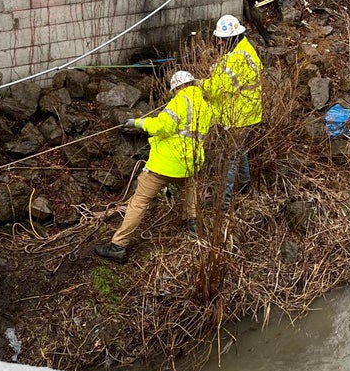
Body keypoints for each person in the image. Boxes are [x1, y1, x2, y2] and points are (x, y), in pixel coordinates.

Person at [95, 70, 214, 263]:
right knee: (191, 194)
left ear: (177, 87)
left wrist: (138, 123)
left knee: (139, 202)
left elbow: (162, 126)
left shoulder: (179, 101)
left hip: (164, 164)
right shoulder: (206, 105)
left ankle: (118, 246)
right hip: (190, 163)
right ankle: (195, 232)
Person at [202, 14, 262, 210]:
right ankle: (245, 186)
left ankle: (224, 203)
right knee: (239, 151)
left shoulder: (236, 57)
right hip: (246, 112)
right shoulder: (244, 49)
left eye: (222, 39)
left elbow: (217, 88)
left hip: (238, 114)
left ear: (232, 38)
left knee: (230, 157)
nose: (218, 42)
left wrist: (199, 84)